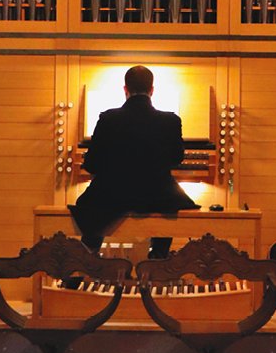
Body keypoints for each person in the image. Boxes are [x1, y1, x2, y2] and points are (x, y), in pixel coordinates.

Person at [69, 65, 200, 256]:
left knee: (95, 204)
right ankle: (158, 257)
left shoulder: (108, 119)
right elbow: (176, 159)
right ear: (152, 90)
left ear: (125, 89)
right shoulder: (171, 121)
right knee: (172, 203)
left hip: (113, 195)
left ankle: (86, 262)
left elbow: (91, 164)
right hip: (156, 196)